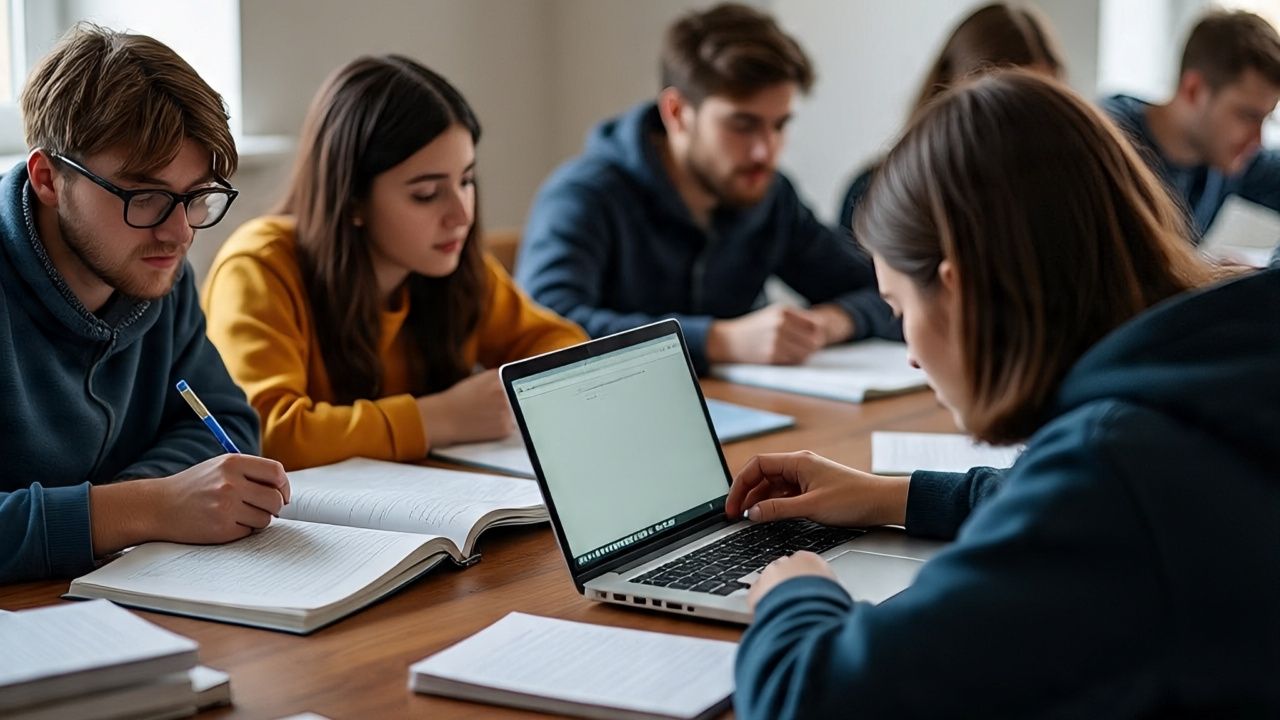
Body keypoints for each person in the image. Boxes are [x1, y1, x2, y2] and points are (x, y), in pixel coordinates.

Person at [728, 70, 1278, 717]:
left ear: (957, 289)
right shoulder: (1208, 374)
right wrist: (890, 494)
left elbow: (814, 700)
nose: (909, 349)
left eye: (899, 307)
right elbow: (1087, 506)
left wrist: (796, 594)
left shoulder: (1111, 469)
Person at [0, 25, 289, 584]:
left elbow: (222, 422)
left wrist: (145, 500)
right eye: (146, 196)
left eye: (196, 196)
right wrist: (143, 509)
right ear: (48, 178)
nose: (179, 232)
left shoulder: (154, 261)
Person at [203, 55, 586, 471]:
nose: (462, 215)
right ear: (351, 200)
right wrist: (438, 418)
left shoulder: (451, 261)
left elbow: (562, 349)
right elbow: (265, 434)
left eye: (466, 181)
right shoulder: (258, 267)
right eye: (426, 193)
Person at [517, 3, 897, 374]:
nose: (765, 151)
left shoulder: (769, 193)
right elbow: (543, 332)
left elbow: (891, 288)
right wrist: (718, 341)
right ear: (677, 112)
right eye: (742, 125)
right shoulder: (584, 195)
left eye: (779, 125)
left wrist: (830, 323)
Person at [838, 2, 1063, 233]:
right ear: (948, 89)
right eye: (1001, 103)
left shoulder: (1064, 197)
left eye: (1040, 103)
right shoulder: (875, 195)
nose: (1024, 123)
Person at [1103, 9, 1280, 240]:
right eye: (1248, 116)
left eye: (1266, 118)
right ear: (1194, 90)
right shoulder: (1104, 143)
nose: (1257, 139)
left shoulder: (1228, 154)